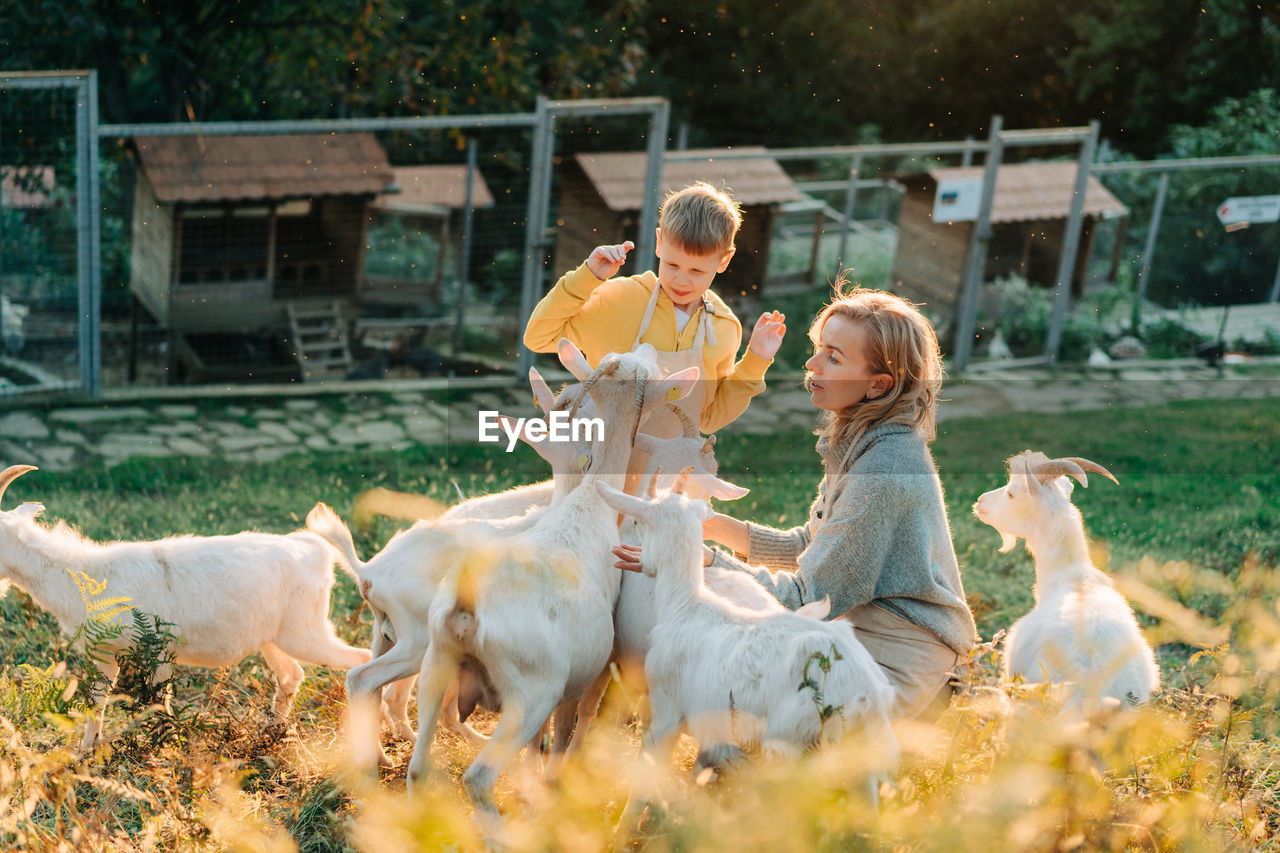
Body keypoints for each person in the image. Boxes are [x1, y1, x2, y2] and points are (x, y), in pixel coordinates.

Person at [616, 283, 978, 721]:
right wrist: (718, 528)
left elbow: (807, 595)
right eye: (818, 349)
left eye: (834, 357)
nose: (811, 364)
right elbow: (815, 544)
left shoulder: (884, 470)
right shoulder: (866, 437)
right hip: (853, 633)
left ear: (877, 384)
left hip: (900, 661)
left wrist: (700, 557)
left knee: (754, 731)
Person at [523, 182, 785, 434]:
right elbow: (538, 337)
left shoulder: (724, 327)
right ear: (659, 242)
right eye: (672, 265)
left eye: (696, 270)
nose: (682, 280)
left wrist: (755, 361)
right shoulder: (618, 299)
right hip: (602, 466)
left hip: (672, 470)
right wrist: (587, 277)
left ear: (724, 260)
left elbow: (708, 419)